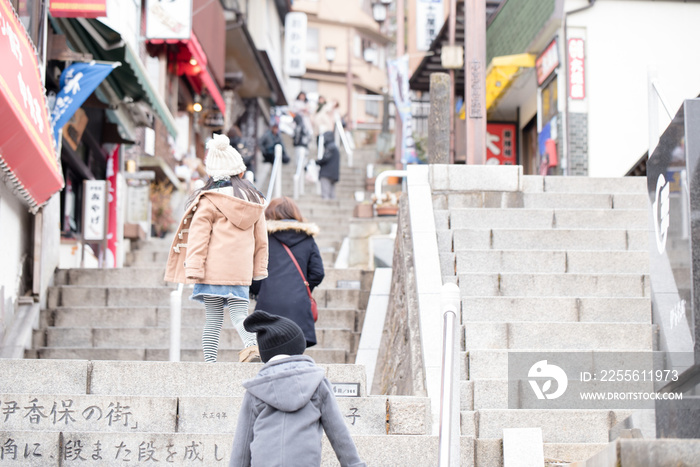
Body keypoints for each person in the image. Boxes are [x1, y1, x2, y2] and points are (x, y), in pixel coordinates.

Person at [164, 133, 268, 363]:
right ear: (239, 171)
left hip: (212, 270)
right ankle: (251, 346)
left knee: (213, 319)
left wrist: (193, 269)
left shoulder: (208, 200)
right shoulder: (255, 201)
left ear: (211, 174)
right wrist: (259, 269)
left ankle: (210, 364)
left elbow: (198, 239)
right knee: (240, 314)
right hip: (240, 271)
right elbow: (262, 241)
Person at [229, 310, 366, 467]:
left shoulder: (256, 390)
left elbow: (242, 442)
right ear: (298, 348)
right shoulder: (317, 383)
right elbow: (339, 434)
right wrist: (353, 463)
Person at [251, 197, 324, 347]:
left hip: (268, 304)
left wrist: (260, 290)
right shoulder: (307, 238)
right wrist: (303, 288)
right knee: (295, 351)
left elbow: (253, 272)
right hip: (298, 306)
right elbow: (317, 272)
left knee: (269, 351)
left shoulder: (263, 238)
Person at [316, 130, 340, 200]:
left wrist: (317, 162)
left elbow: (325, 158)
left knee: (325, 195)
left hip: (326, 174)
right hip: (333, 174)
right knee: (332, 195)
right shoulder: (335, 147)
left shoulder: (330, 147)